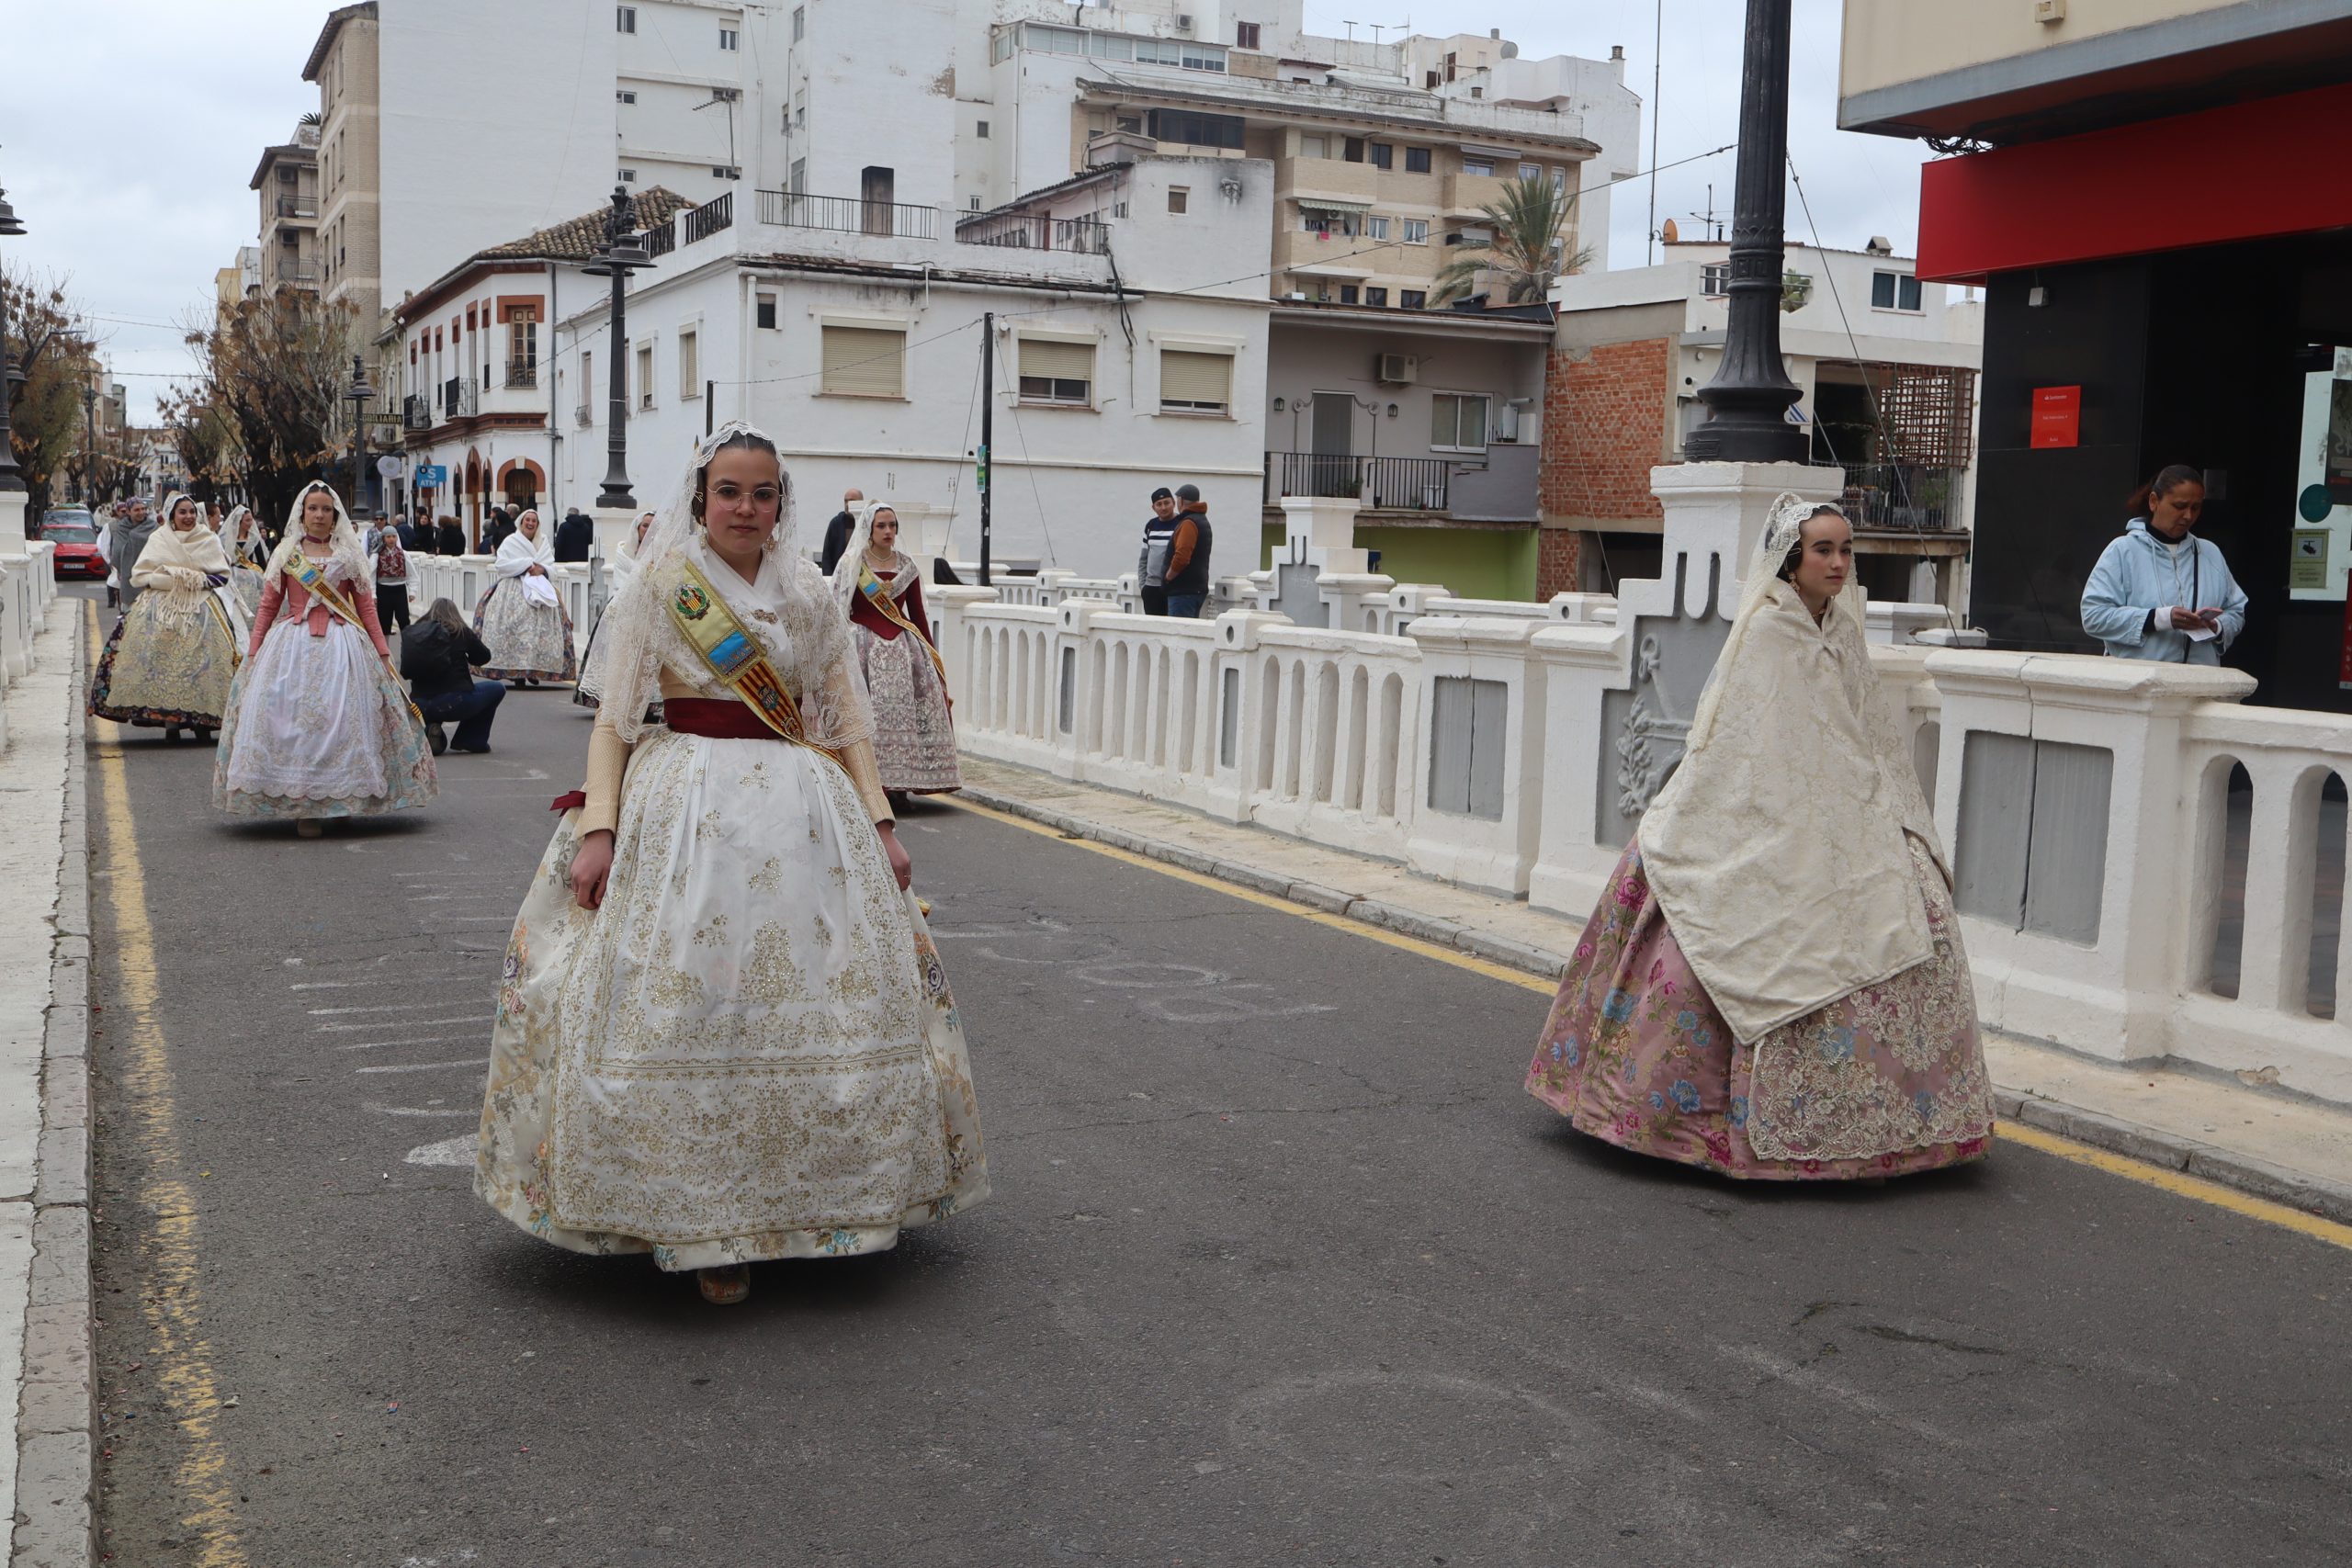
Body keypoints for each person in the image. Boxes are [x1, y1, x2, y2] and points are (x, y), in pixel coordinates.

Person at [473, 422, 988, 1305]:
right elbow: (616, 721)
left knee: (824, 1009)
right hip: (685, 808)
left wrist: (881, 823)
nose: (746, 508)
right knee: (690, 1010)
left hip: (805, 812)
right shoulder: (661, 585)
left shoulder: (810, 593)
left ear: (781, 503)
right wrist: (600, 827)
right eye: (729, 492)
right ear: (701, 497)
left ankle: (823, 1204)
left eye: (762, 493)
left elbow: (846, 717)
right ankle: (705, 1226)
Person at [1525, 496, 1992, 1181]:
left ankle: (1886, 1128)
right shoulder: (1768, 631)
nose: (1838, 562)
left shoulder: (1841, 630)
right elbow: (1749, 740)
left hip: (1848, 811)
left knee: (1917, 920)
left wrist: (1884, 812)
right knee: (1733, 931)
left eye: (1845, 549)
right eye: (1822, 550)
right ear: (1791, 559)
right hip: (1768, 813)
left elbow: (1866, 732)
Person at [213, 480, 437, 837]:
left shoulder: (348, 555)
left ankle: (342, 796)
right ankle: (306, 807)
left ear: (335, 516)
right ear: (302, 514)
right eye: (313, 508)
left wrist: (383, 653)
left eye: (326, 509)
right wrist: (253, 652)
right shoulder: (287, 553)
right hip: (292, 647)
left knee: (345, 720)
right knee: (295, 722)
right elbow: (269, 606)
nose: (319, 515)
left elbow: (366, 608)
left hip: (343, 647)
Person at [87, 491, 247, 743]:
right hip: (160, 607)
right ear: (172, 515)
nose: (188, 516)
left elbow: (222, 576)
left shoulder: (208, 539)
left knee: (204, 665)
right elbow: (141, 575)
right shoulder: (159, 539)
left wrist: (195, 580)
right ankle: (171, 724)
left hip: (201, 606)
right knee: (158, 663)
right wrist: (173, 579)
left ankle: (204, 724)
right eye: (182, 512)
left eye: (192, 512)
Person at [836, 502, 961, 795]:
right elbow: (838, 609)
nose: (888, 531)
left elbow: (917, 616)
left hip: (905, 652)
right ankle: (870, 785)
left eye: (892, 525)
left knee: (906, 717)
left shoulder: (907, 567)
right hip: (862, 649)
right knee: (869, 717)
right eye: (881, 525)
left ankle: (901, 785)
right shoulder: (853, 564)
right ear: (869, 529)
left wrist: (933, 660)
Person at [2080, 465, 2248, 665]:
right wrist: (2158, 618)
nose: (2188, 516)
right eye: (2179, 506)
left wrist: (2217, 626)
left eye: (2195, 508)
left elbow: (2236, 610)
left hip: (2199, 679)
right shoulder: (2123, 550)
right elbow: (2093, 616)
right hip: (2139, 679)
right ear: (2154, 501)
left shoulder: (2210, 552)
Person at [472, 507, 576, 687]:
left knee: (539, 633)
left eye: (533, 521)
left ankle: (534, 670)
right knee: (514, 629)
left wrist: (542, 569)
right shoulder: (510, 542)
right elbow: (501, 565)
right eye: (527, 520)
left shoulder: (543, 543)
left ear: (537, 524)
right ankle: (517, 673)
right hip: (513, 589)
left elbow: (551, 567)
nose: (530, 523)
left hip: (540, 591)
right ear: (521, 522)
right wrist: (527, 564)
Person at [402, 596, 503, 754]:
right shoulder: (460, 631)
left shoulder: (415, 633)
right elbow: (484, 657)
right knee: (496, 688)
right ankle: (471, 739)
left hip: (419, 704)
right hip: (454, 702)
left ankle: (430, 728)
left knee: (433, 699)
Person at [1164, 483, 1214, 619]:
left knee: (1179, 630)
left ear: (1180, 500)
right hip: (1195, 588)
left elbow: (1182, 557)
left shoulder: (1188, 523)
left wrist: (1168, 576)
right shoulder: (1201, 520)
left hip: (1183, 590)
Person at [218, 504, 269, 617]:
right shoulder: (226, 539)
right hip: (232, 575)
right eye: (247, 520)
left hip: (251, 575)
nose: (250, 523)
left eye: (251, 520)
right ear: (239, 521)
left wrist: (265, 576)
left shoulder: (254, 538)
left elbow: (261, 560)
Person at [107, 497, 157, 613]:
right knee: (129, 613)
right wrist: (119, 569)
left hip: (149, 575)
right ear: (129, 512)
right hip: (128, 575)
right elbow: (117, 550)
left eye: (143, 509)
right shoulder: (121, 528)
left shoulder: (154, 527)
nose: (141, 512)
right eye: (137, 510)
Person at [1137, 486, 1179, 615]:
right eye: (1159, 504)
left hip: (1173, 588)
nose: (1163, 507)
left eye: (1167, 503)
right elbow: (1143, 558)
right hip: (1151, 589)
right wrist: (1143, 586)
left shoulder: (1181, 523)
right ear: (1153, 507)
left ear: (1174, 503)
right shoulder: (1151, 526)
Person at [372, 508, 413, 637]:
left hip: (400, 589)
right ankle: (385, 648)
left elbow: (411, 573)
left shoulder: (403, 554)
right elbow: (371, 575)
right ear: (383, 538)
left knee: (404, 620)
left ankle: (407, 646)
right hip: (383, 590)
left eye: (394, 536)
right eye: (388, 537)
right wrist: (373, 594)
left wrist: (412, 591)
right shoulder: (377, 555)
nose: (391, 539)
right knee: (384, 622)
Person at [817, 486, 862, 575]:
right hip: (838, 576)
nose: (847, 504)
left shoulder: (868, 523)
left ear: (861, 502)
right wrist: (829, 578)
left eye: (851, 501)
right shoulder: (836, 523)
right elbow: (827, 555)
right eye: (846, 501)